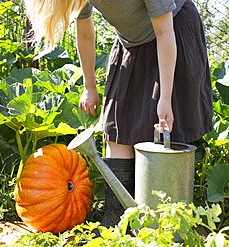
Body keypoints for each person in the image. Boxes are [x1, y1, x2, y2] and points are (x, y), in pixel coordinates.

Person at [24, 0, 213, 229]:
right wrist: (89, 86)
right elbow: (84, 32)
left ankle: (165, 227)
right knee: (117, 127)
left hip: (172, 32)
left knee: (164, 127)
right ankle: (117, 222)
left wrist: (165, 98)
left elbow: (164, 33)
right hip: (130, 42)